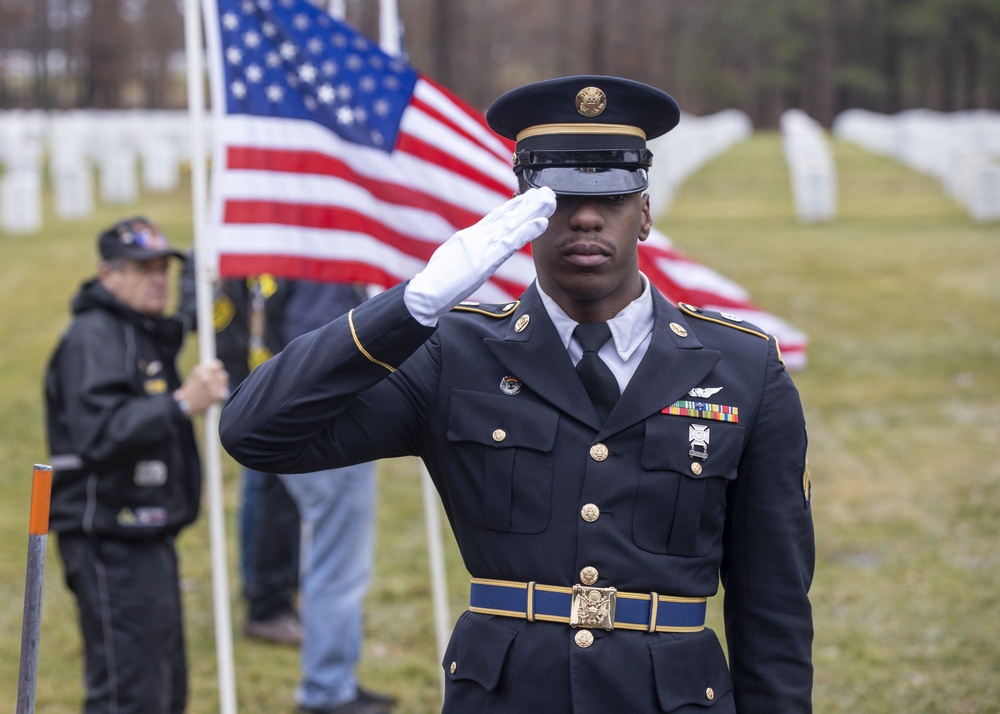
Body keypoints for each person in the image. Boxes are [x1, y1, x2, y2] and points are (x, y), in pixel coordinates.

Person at [220, 75, 814, 713]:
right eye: (557, 198)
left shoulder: (742, 369)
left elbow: (772, 604)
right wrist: (411, 306)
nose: (585, 216)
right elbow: (256, 431)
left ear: (644, 212)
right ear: (520, 211)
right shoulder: (457, 354)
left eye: (610, 196)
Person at [45, 216, 229, 713]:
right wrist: (179, 403)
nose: (157, 279)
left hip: (148, 533)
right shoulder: (94, 337)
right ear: (109, 276)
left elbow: (182, 315)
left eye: (162, 269)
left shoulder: (139, 329)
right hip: (108, 536)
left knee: (164, 685)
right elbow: (97, 433)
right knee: (129, 692)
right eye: (141, 268)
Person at [275, 280, 395, 714]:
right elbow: (325, 348)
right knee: (338, 566)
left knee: (335, 561)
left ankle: (334, 679)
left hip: (317, 427)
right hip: (331, 428)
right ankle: (326, 689)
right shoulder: (324, 271)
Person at [176, 265, 304, 645]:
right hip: (252, 379)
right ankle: (268, 604)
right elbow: (191, 312)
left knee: (263, 487)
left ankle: (261, 589)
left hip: (268, 373)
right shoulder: (218, 244)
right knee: (275, 493)